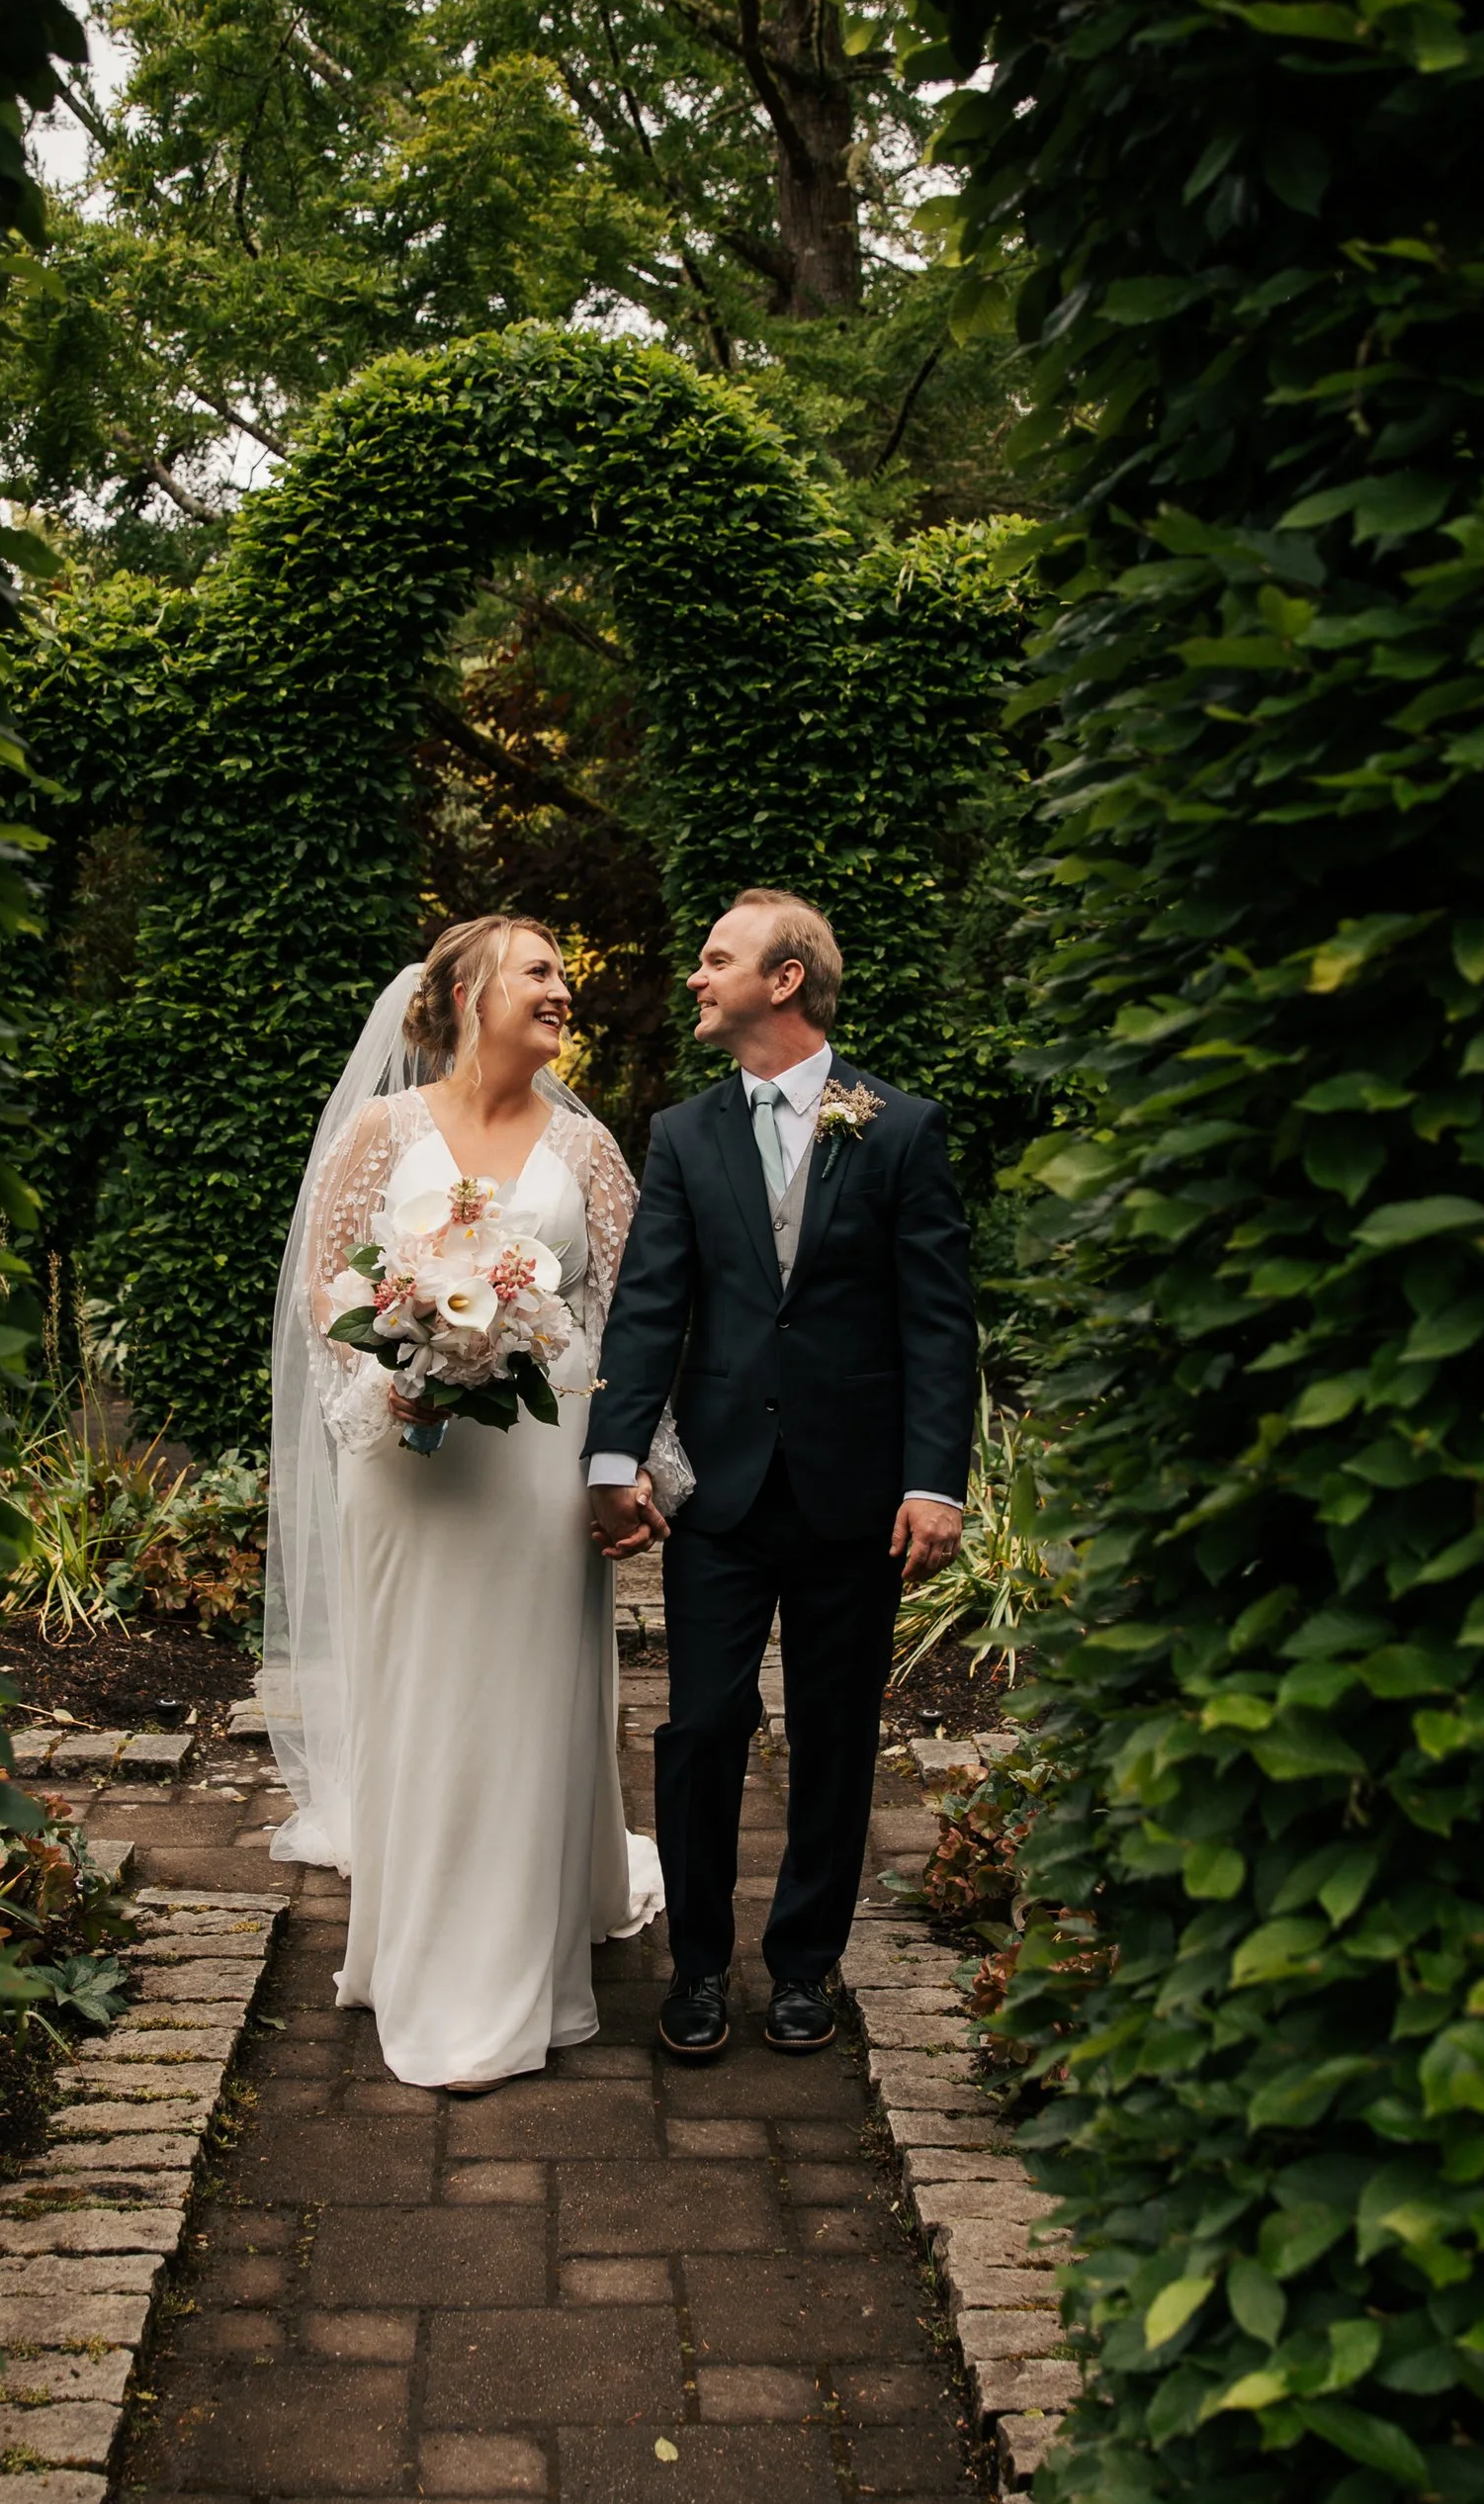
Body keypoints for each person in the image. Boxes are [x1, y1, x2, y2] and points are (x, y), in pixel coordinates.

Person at [259, 918, 666, 2093]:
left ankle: (515, 1966)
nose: (562, 990)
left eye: (562, 972)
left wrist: (634, 1462)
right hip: (405, 1462)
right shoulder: (380, 1132)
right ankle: (420, 1948)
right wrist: (397, 1379)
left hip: (541, 1462)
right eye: (540, 971)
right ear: (468, 992)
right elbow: (323, 1288)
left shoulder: (586, 1150)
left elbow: (631, 1314)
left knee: (525, 1696)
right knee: (421, 1689)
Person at [585, 891, 975, 2059]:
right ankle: (698, 1968)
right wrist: (615, 1457)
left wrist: (935, 1482)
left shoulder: (899, 1128)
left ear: (785, 979)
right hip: (723, 1488)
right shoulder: (683, 1134)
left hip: (858, 1493)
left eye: (717, 960)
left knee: (837, 1731)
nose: (696, 978)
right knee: (699, 1726)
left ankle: (805, 1965)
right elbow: (653, 1304)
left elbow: (937, 1324)